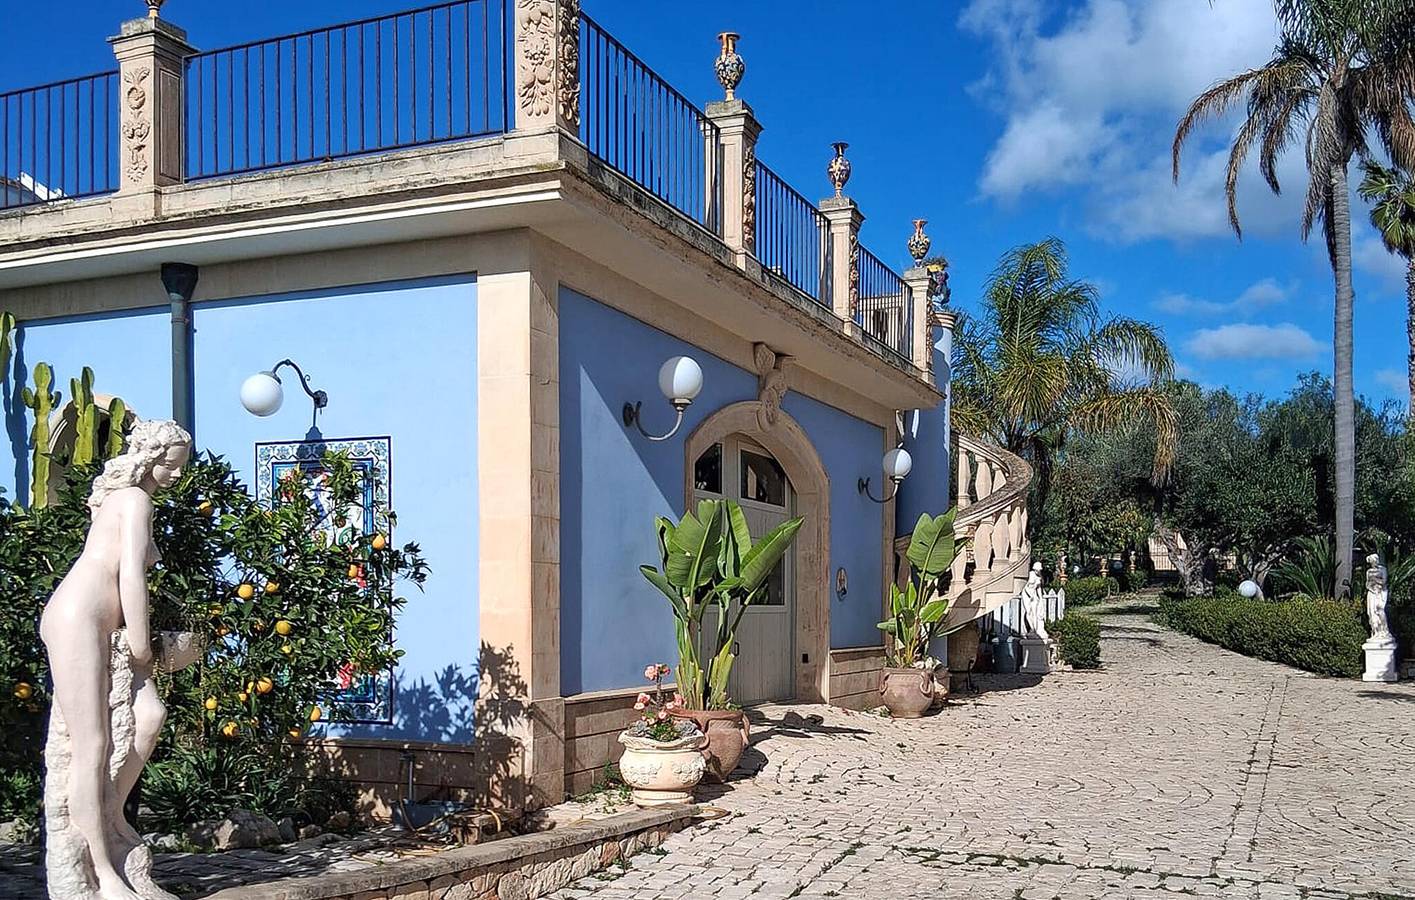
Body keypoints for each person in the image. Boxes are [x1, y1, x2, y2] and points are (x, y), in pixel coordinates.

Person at [41, 419, 191, 900]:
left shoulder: (127, 501)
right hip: (77, 619)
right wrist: (144, 647)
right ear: (149, 458)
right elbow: (130, 576)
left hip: (109, 628)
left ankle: (108, 810)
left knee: (149, 715)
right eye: (170, 465)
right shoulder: (133, 499)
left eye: (180, 467)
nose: (174, 475)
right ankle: (101, 871)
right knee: (92, 745)